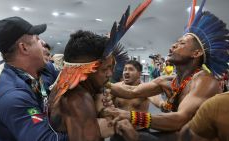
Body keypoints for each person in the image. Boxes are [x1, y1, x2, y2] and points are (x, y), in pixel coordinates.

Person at [103, 0, 229, 140]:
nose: (172, 46)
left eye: (181, 43)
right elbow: (131, 91)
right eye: (176, 42)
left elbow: (180, 119)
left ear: (196, 53)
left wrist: (131, 116)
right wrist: (101, 80)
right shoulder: (168, 81)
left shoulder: (205, 81)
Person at [48, 1, 152, 140]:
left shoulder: (66, 85)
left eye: (111, 68)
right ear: (85, 70)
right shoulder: (79, 99)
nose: (110, 74)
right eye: (105, 69)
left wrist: (100, 110)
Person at [0, 16, 68, 140]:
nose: (43, 43)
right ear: (24, 48)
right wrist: (91, 130)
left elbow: (73, 83)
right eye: (37, 38)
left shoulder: (45, 70)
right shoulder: (12, 96)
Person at [111, 60, 161, 141]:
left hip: (140, 132)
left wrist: (162, 104)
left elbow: (155, 98)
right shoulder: (116, 87)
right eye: (125, 69)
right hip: (119, 132)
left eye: (131, 69)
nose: (126, 72)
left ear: (139, 73)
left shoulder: (146, 88)